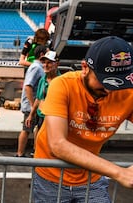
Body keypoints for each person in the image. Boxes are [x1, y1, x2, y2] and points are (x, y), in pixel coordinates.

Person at [33, 36, 133, 202]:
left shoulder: (128, 92)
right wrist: (119, 172)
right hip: (50, 179)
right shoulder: (63, 85)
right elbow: (58, 145)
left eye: (119, 83)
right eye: (104, 82)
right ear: (85, 67)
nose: (110, 90)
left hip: (91, 179)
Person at [16, 45, 47, 157]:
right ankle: (20, 153)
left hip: (35, 105)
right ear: (42, 55)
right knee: (27, 128)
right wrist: (32, 104)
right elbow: (28, 86)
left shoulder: (39, 67)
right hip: (31, 105)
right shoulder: (36, 67)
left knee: (35, 128)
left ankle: (35, 150)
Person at [25, 51, 60, 132]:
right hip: (41, 118)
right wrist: (31, 115)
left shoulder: (61, 81)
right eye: (44, 62)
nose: (46, 65)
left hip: (54, 119)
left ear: (57, 63)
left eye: (49, 63)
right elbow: (38, 99)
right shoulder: (42, 80)